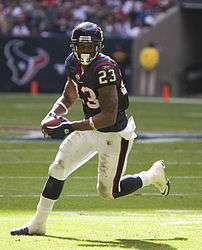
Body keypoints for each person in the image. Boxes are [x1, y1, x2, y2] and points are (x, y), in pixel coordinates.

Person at [10, 21, 170, 236]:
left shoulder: (105, 69)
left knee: (109, 192)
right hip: (89, 129)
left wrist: (68, 128)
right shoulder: (72, 63)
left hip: (114, 134)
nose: (85, 50)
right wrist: (53, 114)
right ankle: (38, 224)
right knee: (58, 168)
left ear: (98, 46)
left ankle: (152, 175)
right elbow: (68, 96)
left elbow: (108, 116)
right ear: (74, 46)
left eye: (89, 46)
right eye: (81, 46)